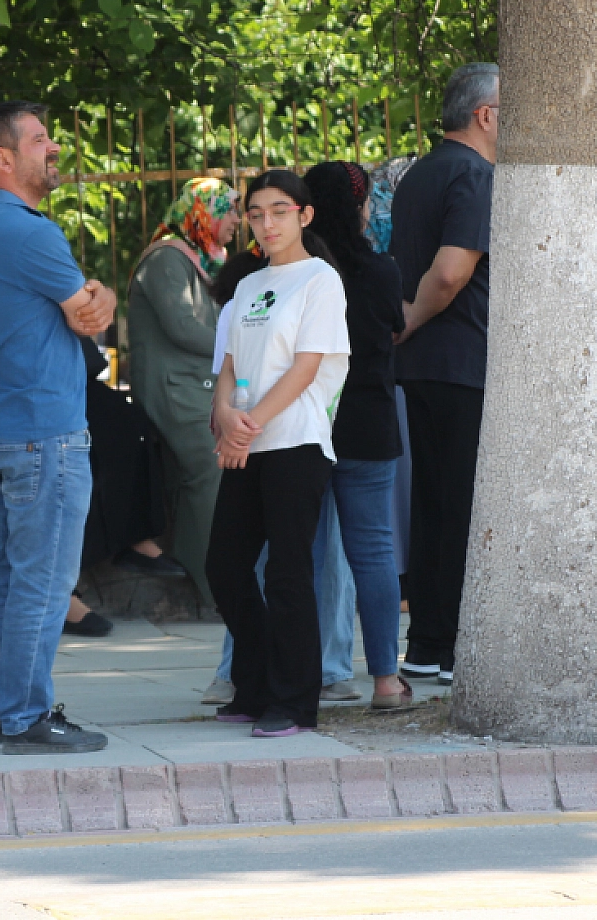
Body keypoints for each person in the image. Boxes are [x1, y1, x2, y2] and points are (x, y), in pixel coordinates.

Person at [0, 101, 115, 754]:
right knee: (43, 580)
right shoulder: (28, 232)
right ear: (3, 157)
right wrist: (97, 293)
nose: (53, 148)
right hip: (40, 434)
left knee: (10, 573)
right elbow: (90, 316)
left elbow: (80, 309)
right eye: (40, 139)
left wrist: (88, 297)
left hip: (1, 431)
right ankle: (24, 715)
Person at [207, 169, 351, 738]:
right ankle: (257, 682)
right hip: (247, 441)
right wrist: (226, 417)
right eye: (257, 213)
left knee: (289, 575)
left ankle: (294, 702)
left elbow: (307, 366)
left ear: (304, 215)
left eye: (280, 211)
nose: (267, 224)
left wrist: (251, 424)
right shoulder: (247, 286)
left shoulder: (320, 280)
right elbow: (231, 368)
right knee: (224, 565)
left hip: (294, 442)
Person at [389, 62, 498, 684]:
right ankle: (454, 646)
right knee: (461, 507)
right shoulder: (473, 173)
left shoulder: (419, 173)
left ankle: (427, 641)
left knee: (431, 505)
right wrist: (412, 316)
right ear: (485, 115)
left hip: (424, 368)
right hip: (462, 361)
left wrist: (408, 327)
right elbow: (452, 271)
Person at [304, 161, 413, 710]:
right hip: (369, 421)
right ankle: (386, 682)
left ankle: (304, 673)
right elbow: (394, 329)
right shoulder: (381, 270)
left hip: (307, 422)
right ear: (359, 207)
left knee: (304, 551)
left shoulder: (299, 272)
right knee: (373, 552)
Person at [126, 177, 240, 597]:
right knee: (210, 465)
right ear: (201, 211)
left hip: (197, 386)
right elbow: (182, 327)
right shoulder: (166, 259)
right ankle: (212, 583)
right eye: (227, 210)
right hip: (172, 389)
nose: (237, 220)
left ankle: (216, 574)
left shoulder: (204, 258)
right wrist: (244, 346)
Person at [64, 337, 176, 639]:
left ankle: (135, 534)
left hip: (60, 372)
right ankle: (62, 596)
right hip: (25, 380)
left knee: (129, 421)